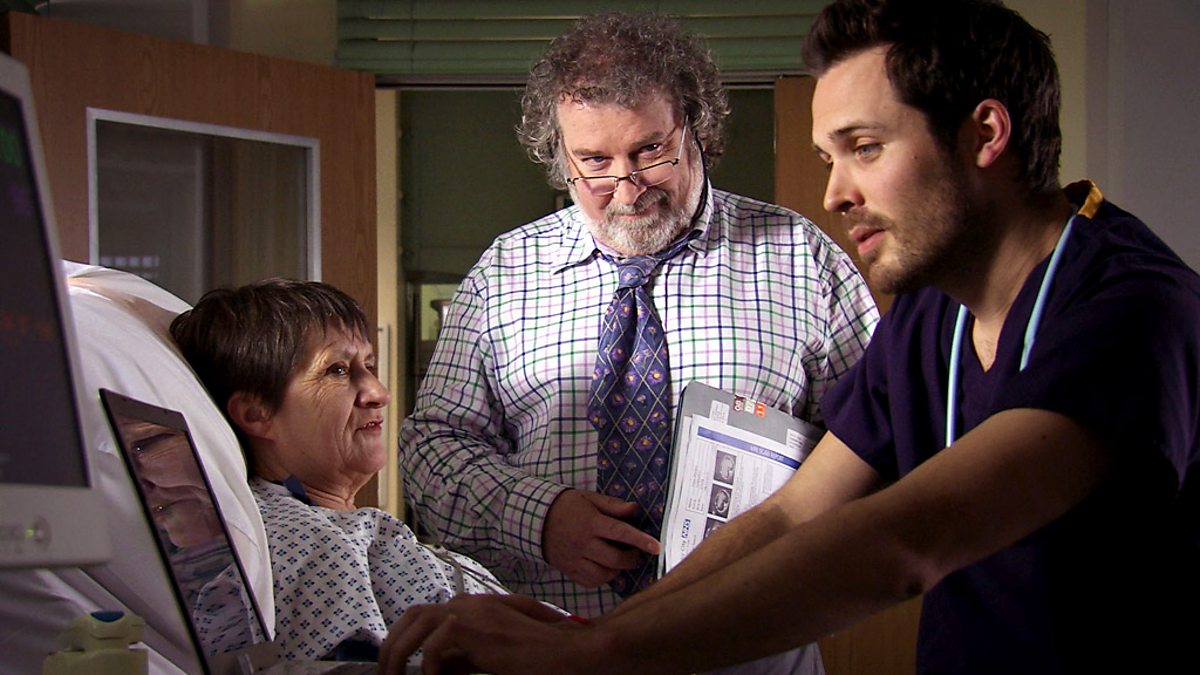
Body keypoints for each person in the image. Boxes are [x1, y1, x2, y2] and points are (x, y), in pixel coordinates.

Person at [377, 1, 1200, 673]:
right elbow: (793, 513)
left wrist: (591, 654)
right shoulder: (934, 308)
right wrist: (588, 639)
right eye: (828, 156)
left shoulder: (1130, 308)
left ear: (985, 134)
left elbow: (901, 540)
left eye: (864, 148)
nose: (835, 193)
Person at [398, 11, 878, 631]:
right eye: (594, 161)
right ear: (561, 157)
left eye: (649, 151)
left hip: (750, 639)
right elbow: (431, 450)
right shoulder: (504, 273)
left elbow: (878, 442)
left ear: (696, 128)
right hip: (551, 643)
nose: (627, 189)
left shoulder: (802, 257)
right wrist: (537, 518)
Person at [169, 279, 523, 663]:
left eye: (368, 366)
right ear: (257, 414)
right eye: (336, 370)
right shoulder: (302, 542)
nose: (379, 392)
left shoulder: (341, 529)